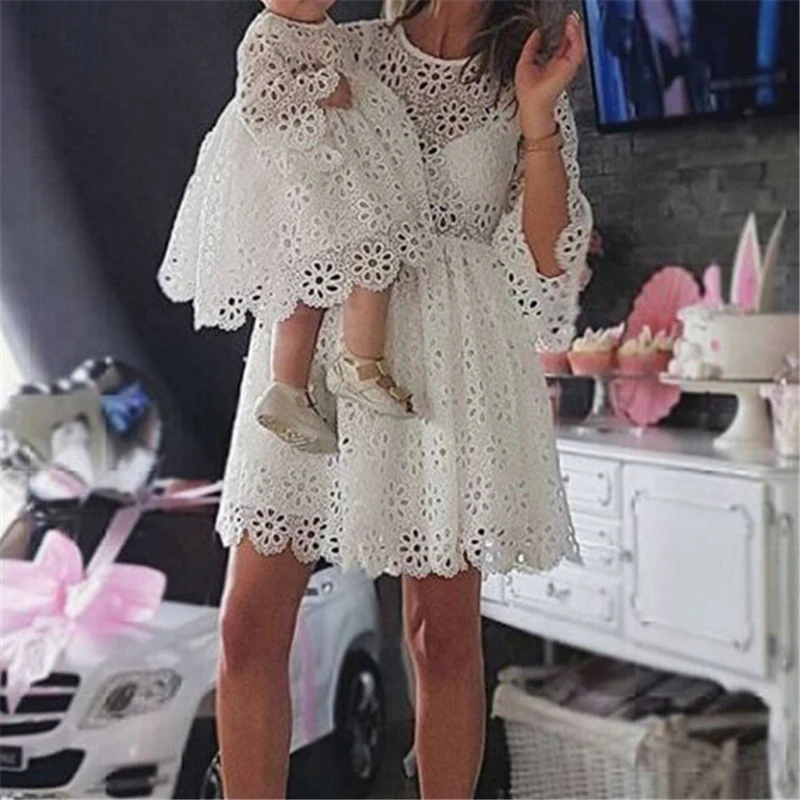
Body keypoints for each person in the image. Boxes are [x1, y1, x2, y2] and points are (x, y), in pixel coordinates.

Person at [210, 0, 591, 797]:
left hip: (451, 369)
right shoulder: (343, 50)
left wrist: (536, 114)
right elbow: (262, 142)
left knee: (440, 640)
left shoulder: (519, 74)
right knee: (248, 629)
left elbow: (546, 255)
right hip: (316, 354)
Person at [158, 0, 424, 455]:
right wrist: (323, 86)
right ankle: (305, 381)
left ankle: (328, 374)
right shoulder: (266, 35)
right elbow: (258, 103)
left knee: (359, 261)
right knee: (321, 277)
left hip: (332, 165)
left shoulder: (325, 28)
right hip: (292, 172)